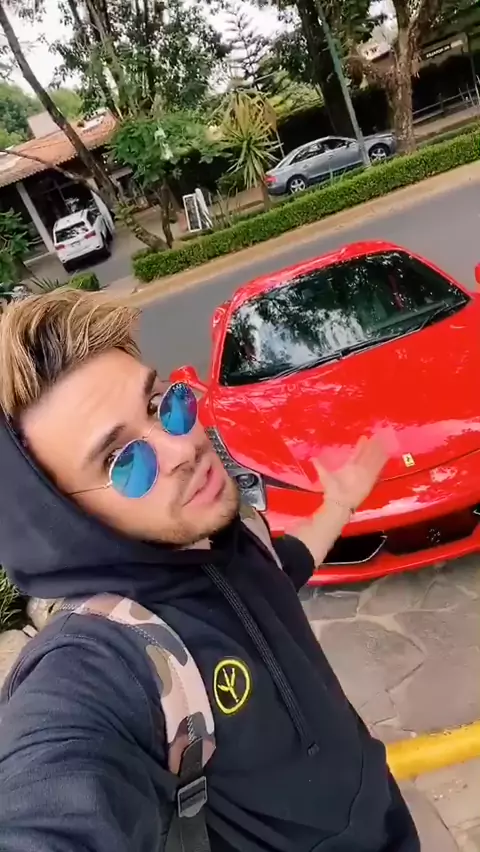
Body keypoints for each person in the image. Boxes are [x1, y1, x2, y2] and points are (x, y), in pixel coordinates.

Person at [0, 291, 419, 852]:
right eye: (123, 461)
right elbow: (48, 795)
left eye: (159, 404)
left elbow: (285, 564)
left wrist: (339, 503)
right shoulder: (107, 659)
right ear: (64, 521)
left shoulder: (230, 544)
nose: (180, 447)